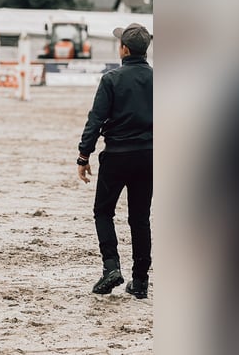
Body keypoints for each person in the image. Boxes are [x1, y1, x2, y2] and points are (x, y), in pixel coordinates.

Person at [76, 22, 153, 299]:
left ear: (124, 49)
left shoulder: (111, 79)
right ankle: (141, 280)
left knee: (103, 212)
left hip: (117, 156)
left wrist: (84, 155)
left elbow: (95, 120)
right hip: (149, 156)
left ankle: (111, 267)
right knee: (140, 218)